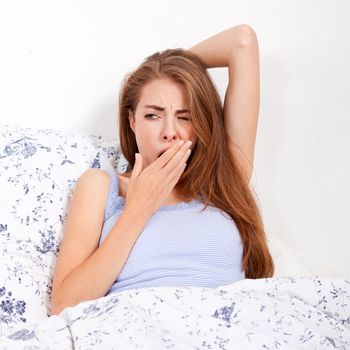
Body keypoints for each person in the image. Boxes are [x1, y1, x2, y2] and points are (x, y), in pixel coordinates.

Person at [51, 24, 274, 316]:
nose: (170, 132)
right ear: (132, 120)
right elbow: (63, 305)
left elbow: (242, 42)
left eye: (184, 117)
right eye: (153, 115)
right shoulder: (102, 186)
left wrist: (165, 67)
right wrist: (138, 209)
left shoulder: (222, 179)